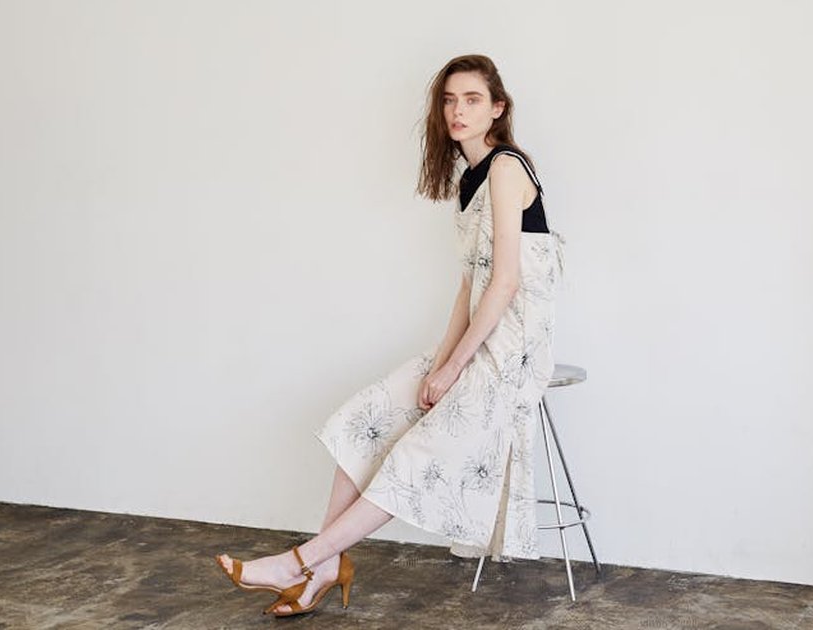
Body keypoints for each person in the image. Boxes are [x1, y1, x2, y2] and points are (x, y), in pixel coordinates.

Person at [215, 53, 563, 617]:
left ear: (498, 108)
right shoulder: (468, 177)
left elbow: (505, 284)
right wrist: (439, 362)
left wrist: (452, 370)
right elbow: (468, 288)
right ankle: (325, 566)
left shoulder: (506, 168)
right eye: (449, 100)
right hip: (483, 332)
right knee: (365, 418)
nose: (457, 110)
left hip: (515, 346)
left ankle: (300, 563)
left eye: (472, 99)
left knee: (414, 454)